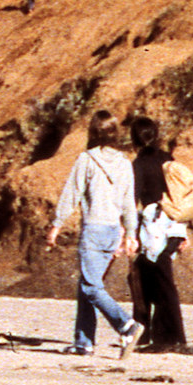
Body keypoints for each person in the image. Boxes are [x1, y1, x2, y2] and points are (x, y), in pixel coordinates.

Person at [46, 110, 142, 358]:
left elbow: (71, 194)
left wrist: (56, 224)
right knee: (86, 285)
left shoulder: (86, 160)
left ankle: (126, 325)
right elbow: (129, 203)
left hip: (94, 230)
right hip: (113, 231)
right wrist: (130, 233)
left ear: (93, 132)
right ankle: (84, 342)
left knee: (90, 287)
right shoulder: (124, 163)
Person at [128, 115, 190, 354]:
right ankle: (154, 334)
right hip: (174, 223)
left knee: (155, 280)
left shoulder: (139, 164)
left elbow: (132, 202)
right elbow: (181, 194)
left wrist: (130, 234)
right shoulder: (168, 159)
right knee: (156, 278)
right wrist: (184, 231)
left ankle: (169, 337)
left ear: (134, 139)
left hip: (154, 227)